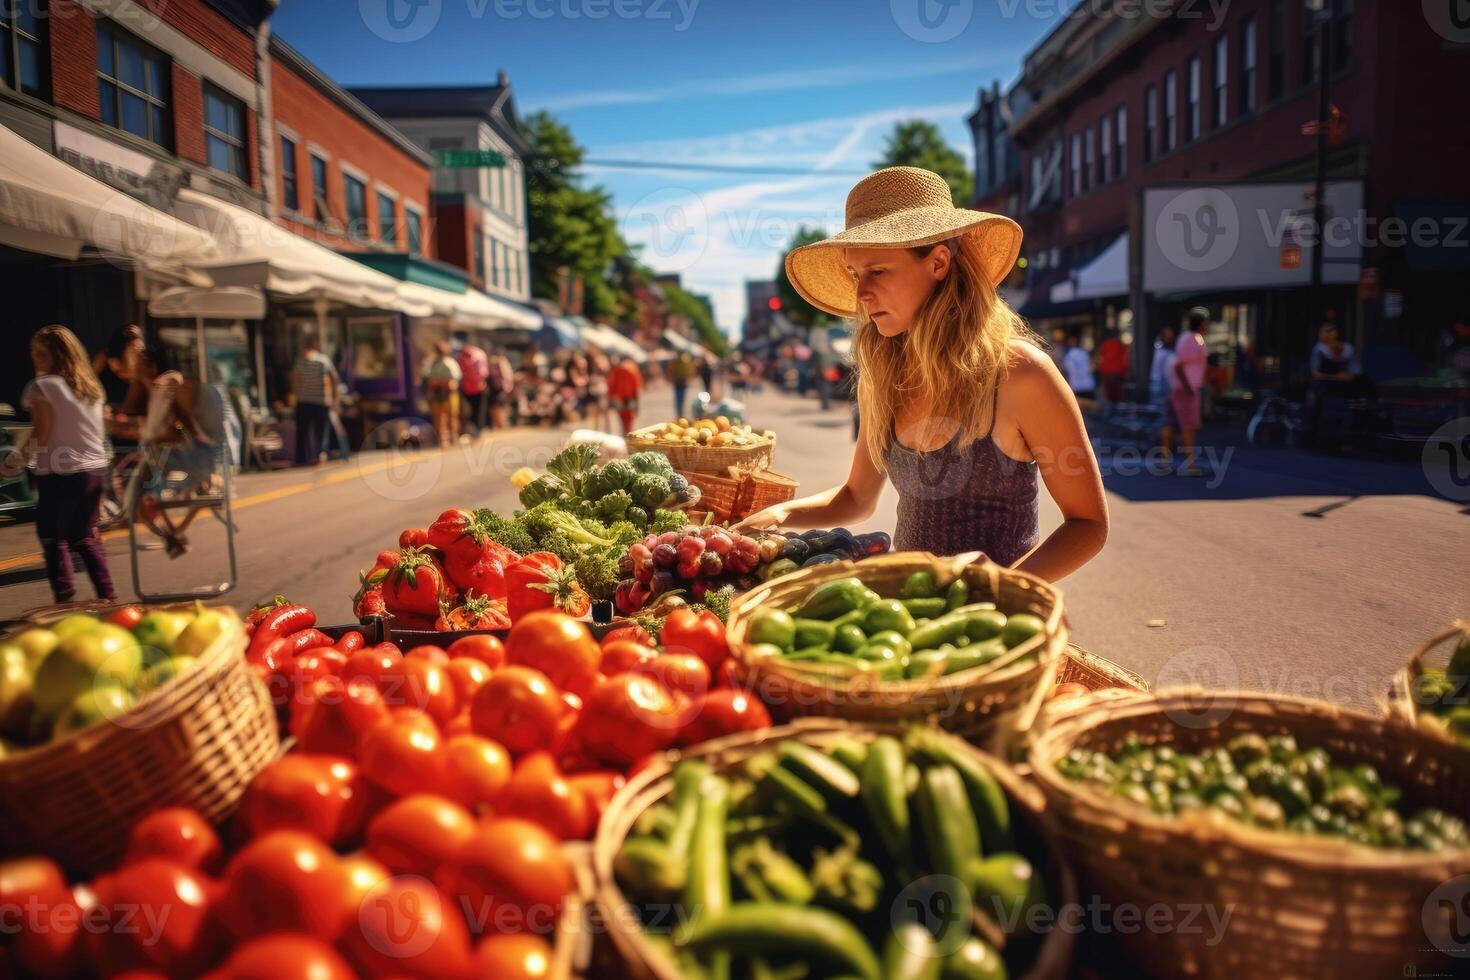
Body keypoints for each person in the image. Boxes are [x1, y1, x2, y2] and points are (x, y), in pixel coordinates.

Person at [736, 166, 1108, 580]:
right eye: (855, 275)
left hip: (1001, 631)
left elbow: (1088, 525)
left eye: (876, 271)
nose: (860, 294)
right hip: (906, 621)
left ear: (939, 263)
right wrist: (782, 512)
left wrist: (1001, 585)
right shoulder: (882, 378)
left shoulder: (1018, 374)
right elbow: (857, 497)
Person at [22, 326, 116, 603]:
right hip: (94, 471)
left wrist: (18, 459)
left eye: (41, 354)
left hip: (59, 473)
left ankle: (65, 598)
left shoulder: (43, 386)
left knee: (53, 536)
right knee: (84, 535)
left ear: (57, 357)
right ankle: (107, 596)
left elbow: (41, 430)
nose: (36, 360)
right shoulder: (91, 390)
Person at [1171, 308, 1209, 476]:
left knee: (1188, 426)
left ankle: (1187, 462)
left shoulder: (1186, 338)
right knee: (1188, 427)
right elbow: (1179, 366)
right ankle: (1189, 464)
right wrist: (1188, 388)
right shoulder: (1193, 339)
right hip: (1186, 389)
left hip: (1186, 387)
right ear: (1202, 323)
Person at [291, 336, 339, 466]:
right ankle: (321, 454)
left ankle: (301, 457)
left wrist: (297, 395)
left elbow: (295, 379)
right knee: (321, 430)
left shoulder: (300, 360)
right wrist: (334, 398)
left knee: (302, 431)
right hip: (321, 400)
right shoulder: (324, 360)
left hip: (303, 401)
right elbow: (334, 378)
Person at [421, 340, 462, 446]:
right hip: (439, 394)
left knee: (449, 417)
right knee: (442, 418)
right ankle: (444, 439)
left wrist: (439, 383)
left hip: (447, 394)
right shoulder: (433, 363)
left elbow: (453, 383)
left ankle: (452, 438)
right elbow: (428, 380)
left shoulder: (448, 363)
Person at [1150, 324, 1179, 457]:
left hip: (1158, 386)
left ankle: (1165, 450)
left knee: (1163, 420)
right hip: (1164, 387)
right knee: (1165, 421)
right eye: (1169, 336)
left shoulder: (1160, 351)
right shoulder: (1165, 353)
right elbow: (1169, 374)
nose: (1171, 338)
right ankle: (1165, 452)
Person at [457, 339, 491, 437]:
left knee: (471, 410)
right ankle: (477, 429)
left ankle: (472, 429)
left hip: (466, 388)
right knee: (479, 410)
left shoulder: (461, 356)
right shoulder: (480, 354)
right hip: (478, 387)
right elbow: (483, 372)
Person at [607, 354, 643, 435]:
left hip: (619, 398)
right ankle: (628, 436)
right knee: (629, 420)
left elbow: (611, 384)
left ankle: (625, 435)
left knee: (623, 419)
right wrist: (637, 403)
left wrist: (610, 396)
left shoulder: (616, 370)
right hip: (629, 397)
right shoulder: (632, 368)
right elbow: (636, 386)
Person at [1061, 331, 1096, 401]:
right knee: (1092, 408)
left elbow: (1064, 369)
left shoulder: (1068, 355)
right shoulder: (1084, 353)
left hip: (1076, 386)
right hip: (1088, 384)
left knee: (1082, 410)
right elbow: (1091, 367)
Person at [487, 346, 514, 430]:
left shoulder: (498, 361)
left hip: (497, 387)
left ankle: (500, 424)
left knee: (497, 406)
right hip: (501, 387)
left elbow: (503, 375)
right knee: (499, 406)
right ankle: (500, 424)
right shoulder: (504, 361)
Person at [1097, 330, 1128, 405]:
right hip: (1118, 373)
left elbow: (1101, 358)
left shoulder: (1105, 345)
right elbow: (1125, 359)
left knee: (1109, 396)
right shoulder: (1120, 345)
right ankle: (1116, 412)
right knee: (1118, 396)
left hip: (1107, 373)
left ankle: (1111, 411)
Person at [670, 352, 693, 418]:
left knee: (679, 399)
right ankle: (679, 413)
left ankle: (680, 413)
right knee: (680, 399)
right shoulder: (684, 361)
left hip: (680, 382)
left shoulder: (676, 362)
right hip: (680, 382)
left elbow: (689, 371)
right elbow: (689, 371)